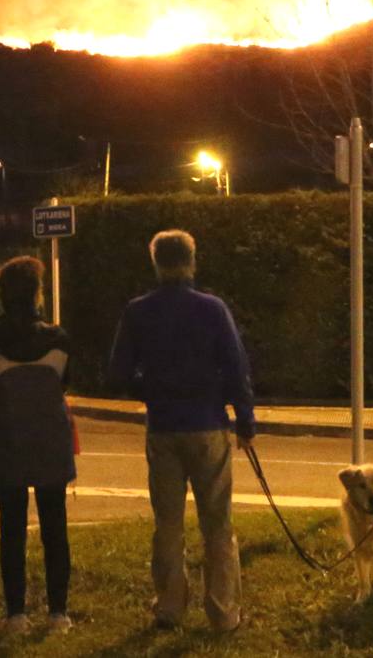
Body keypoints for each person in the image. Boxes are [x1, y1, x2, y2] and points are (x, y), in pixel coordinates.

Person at [108, 229, 255, 632]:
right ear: (192, 260)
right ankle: (224, 613)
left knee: (168, 524)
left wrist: (150, 387)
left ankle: (170, 607)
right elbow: (237, 366)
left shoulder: (138, 311)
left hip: (163, 427)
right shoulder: (213, 309)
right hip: (208, 425)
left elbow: (118, 371)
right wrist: (245, 421)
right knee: (217, 524)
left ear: (155, 261)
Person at [0, 255, 76, 635]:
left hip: (7, 442)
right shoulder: (60, 340)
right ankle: (58, 613)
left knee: (11, 528)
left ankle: (15, 613)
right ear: (37, 293)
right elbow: (62, 384)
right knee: (55, 527)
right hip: (50, 441)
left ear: (0, 295)